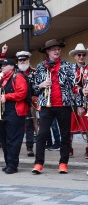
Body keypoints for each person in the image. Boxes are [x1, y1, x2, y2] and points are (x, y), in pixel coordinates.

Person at [32, 39, 75, 174]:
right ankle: (38, 163)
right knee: (42, 135)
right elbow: (33, 87)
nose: (57, 51)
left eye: (58, 49)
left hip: (64, 105)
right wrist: (41, 85)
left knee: (65, 135)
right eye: (53, 49)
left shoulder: (67, 65)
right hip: (47, 106)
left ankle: (63, 163)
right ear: (47, 52)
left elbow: (74, 85)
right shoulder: (40, 67)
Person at [0, 45, 37, 157]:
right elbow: (2, 65)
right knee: (23, 126)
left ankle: (30, 147)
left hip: (32, 101)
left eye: (24, 59)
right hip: (18, 103)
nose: (22, 61)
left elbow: (37, 87)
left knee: (31, 125)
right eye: (20, 60)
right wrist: (3, 53)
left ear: (28, 60)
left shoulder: (34, 72)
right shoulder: (15, 73)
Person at [0, 59, 29, 174]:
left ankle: (13, 165)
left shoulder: (18, 77)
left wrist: (6, 97)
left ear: (12, 67)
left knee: (13, 140)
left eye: (5, 65)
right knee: (4, 140)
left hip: (15, 113)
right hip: (3, 112)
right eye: (2, 65)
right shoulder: (2, 79)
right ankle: (8, 163)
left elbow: (22, 93)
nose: (2, 67)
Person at [68, 43, 88, 158]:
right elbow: (70, 86)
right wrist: (78, 104)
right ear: (75, 56)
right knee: (70, 128)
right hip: (72, 102)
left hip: (87, 102)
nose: (81, 57)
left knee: (87, 128)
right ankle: (69, 148)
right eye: (79, 55)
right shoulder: (70, 69)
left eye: (83, 55)